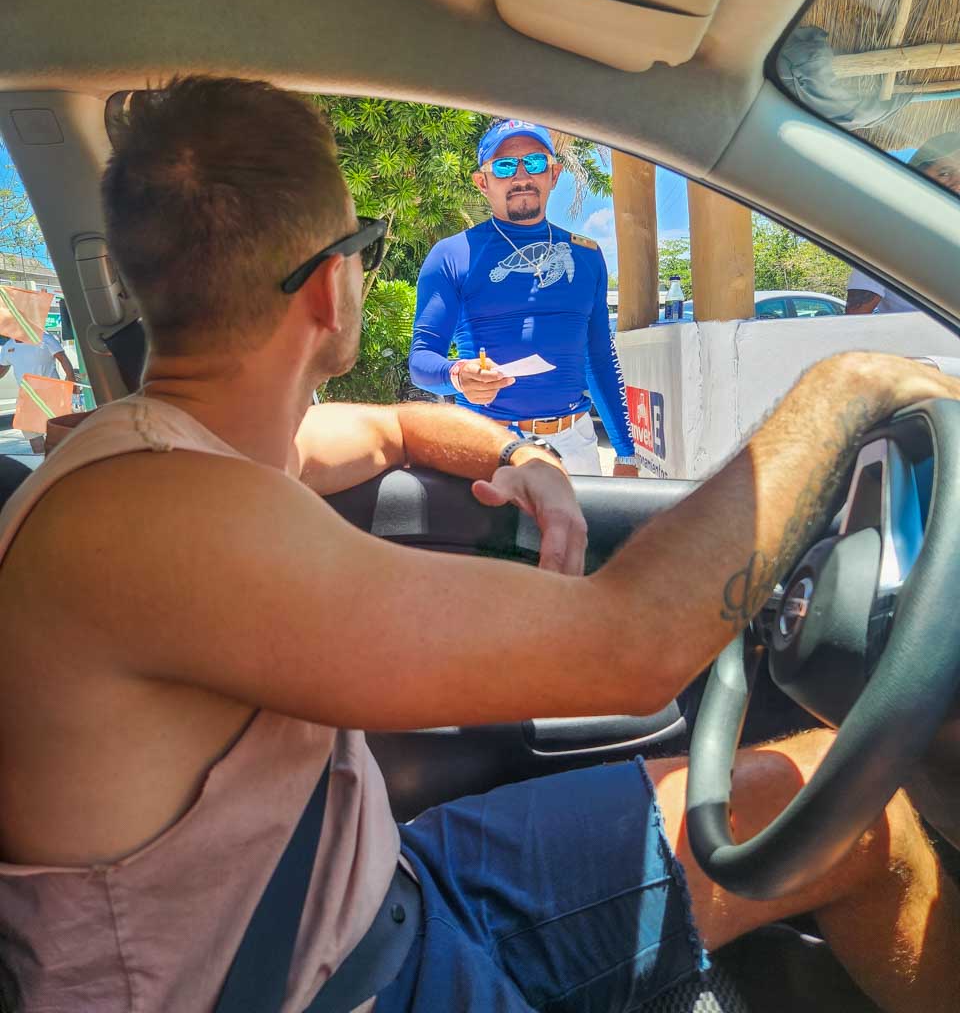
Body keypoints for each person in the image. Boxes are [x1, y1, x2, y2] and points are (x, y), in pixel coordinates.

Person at [0, 77, 958, 1013]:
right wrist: (848, 388)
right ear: (335, 288)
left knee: (848, 816)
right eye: (366, 251)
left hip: (373, 890)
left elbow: (389, 429)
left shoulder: (179, 451)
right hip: (325, 979)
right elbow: (629, 651)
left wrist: (522, 452)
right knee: (845, 809)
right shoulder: (170, 524)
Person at [409, 119, 638, 476]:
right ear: (482, 182)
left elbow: (599, 358)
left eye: (534, 162)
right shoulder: (453, 254)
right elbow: (421, 361)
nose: (520, 177)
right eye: (503, 166)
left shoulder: (586, 255)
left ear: (554, 174)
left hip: (575, 445)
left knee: (583, 534)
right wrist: (457, 374)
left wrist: (625, 453)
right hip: (489, 444)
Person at [847, 132, 960, 315]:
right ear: (917, 177)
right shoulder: (890, 235)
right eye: (944, 173)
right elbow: (856, 316)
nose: (957, 184)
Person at [0, 323, 77, 452]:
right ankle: (44, 467)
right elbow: (2, 369)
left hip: (52, 393)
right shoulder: (9, 347)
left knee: (59, 438)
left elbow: (63, 359)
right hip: (27, 396)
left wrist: (71, 382)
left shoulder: (45, 339)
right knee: (36, 443)